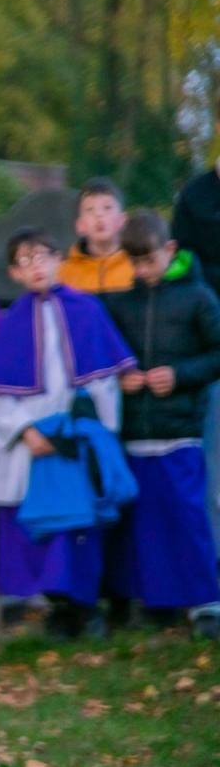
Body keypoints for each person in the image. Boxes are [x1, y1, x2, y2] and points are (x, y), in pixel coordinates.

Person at [0, 228, 133, 639]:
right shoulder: (9, 324)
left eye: (42, 255)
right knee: (35, 523)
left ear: (59, 258)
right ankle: (49, 607)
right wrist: (24, 431)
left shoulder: (87, 311)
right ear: (14, 272)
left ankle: (84, 607)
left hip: (74, 440)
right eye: (25, 260)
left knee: (77, 521)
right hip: (28, 444)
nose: (36, 266)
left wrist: (97, 435)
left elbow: (103, 383)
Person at [100, 212, 220, 633]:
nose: (142, 271)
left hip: (181, 429)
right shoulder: (120, 303)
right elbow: (106, 355)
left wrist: (180, 375)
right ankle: (153, 601)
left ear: (169, 250)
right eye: (134, 263)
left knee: (185, 517)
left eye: (149, 260)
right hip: (134, 431)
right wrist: (121, 375)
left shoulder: (198, 298)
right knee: (142, 521)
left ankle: (205, 603)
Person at [174, 148, 220, 567]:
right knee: (214, 459)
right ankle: (213, 561)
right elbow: (182, 264)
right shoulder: (195, 197)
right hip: (213, 342)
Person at [58, 178, 133, 294]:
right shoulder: (64, 274)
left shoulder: (136, 266)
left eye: (107, 208)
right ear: (80, 225)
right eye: (90, 210)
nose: (99, 215)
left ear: (123, 220)